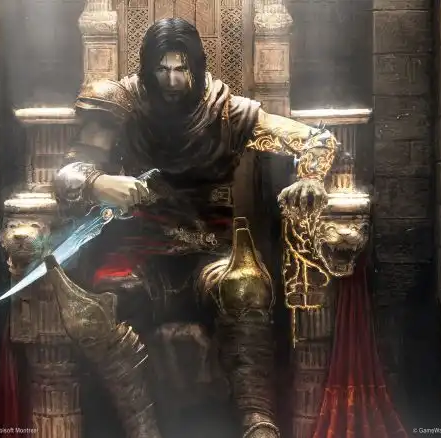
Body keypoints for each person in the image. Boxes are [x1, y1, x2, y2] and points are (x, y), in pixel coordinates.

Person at [50, 17, 338, 438]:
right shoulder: (123, 104)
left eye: (182, 69)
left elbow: (318, 140)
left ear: (197, 66)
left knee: (246, 286)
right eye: (162, 69)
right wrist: (98, 182)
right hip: (140, 255)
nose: (172, 80)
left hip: (211, 253)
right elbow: (67, 175)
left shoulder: (228, 111)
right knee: (102, 305)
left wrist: (310, 177)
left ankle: (257, 420)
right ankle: (142, 429)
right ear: (147, 68)